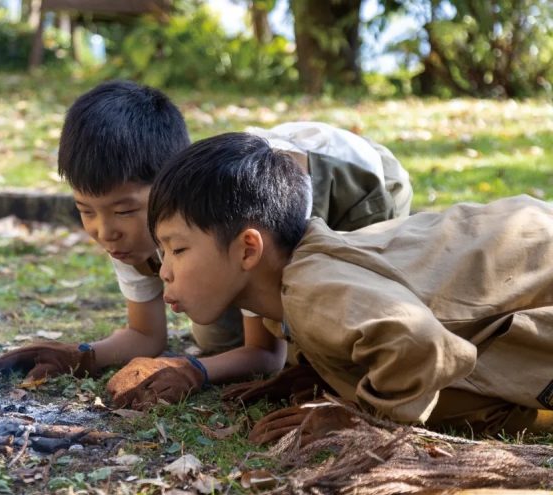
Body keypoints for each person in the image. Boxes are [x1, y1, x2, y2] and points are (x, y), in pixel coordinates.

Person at [0, 80, 413, 409]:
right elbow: (145, 334)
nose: (105, 231)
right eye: (86, 211)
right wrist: (82, 355)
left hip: (355, 186)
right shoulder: (129, 231)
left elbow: (266, 356)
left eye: (122, 211)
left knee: (322, 335)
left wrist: (194, 370)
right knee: (215, 335)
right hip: (256, 182)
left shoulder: (233, 220)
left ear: (165, 186)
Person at [145, 130, 553, 442]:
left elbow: (421, 346)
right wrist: (323, 375)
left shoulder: (309, 289)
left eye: (178, 249)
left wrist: (359, 418)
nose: (165, 270)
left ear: (248, 249)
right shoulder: (293, 286)